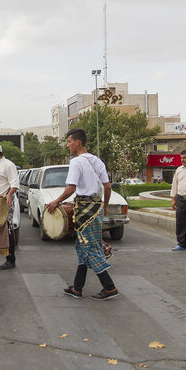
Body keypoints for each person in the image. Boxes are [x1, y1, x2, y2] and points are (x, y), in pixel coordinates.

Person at [47, 128, 119, 301]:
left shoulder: (77, 162)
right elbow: (107, 186)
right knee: (82, 247)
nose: (68, 145)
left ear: (77, 142)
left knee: (91, 248)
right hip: (96, 207)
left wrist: (56, 201)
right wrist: (106, 205)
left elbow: (71, 187)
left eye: (69, 141)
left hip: (84, 209)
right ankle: (77, 288)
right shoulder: (97, 160)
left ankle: (109, 287)